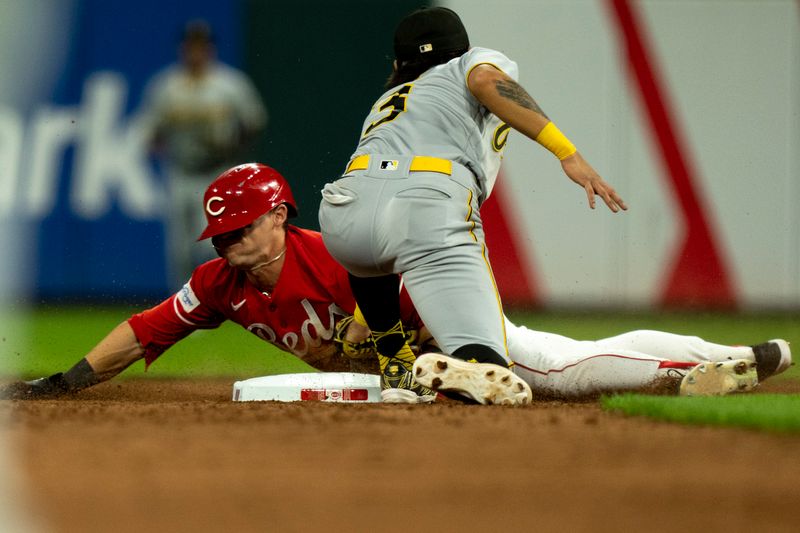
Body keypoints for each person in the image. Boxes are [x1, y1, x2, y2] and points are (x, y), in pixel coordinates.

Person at [0, 164, 791, 400]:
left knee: (554, 368)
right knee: (561, 361)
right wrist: (65, 380)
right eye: (223, 233)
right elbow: (145, 327)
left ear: (280, 215)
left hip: (452, 331)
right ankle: (724, 360)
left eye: (243, 226)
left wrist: (417, 349)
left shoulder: (336, 254)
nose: (232, 241)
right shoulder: (218, 285)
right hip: (409, 373)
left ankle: (713, 364)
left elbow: (417, 304)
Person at [318, 7, 626, 405]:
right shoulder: (467, 64)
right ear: (460, 48)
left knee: (373, 251)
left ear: (398, 64)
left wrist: (364, 319)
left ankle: (393, 357)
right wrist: (566, 153)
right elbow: (484, 78)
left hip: (344, 213)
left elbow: (380, 221)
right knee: (493, 374)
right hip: (427, 204)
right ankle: (459, 362)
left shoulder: (387, 101)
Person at [139, 19, 267, 287]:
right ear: (183, 48)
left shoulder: (230, 84)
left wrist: (232, 147)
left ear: (210, 49)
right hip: (180, 172)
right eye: (191, 45)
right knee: (179, 250)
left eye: (202, 45)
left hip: (217, 170)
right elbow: (151, 134)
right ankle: (182, 306)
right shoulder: (166, 86)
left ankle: (219, 297)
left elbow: (254, 123)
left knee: (211, 243)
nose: (196, 51)